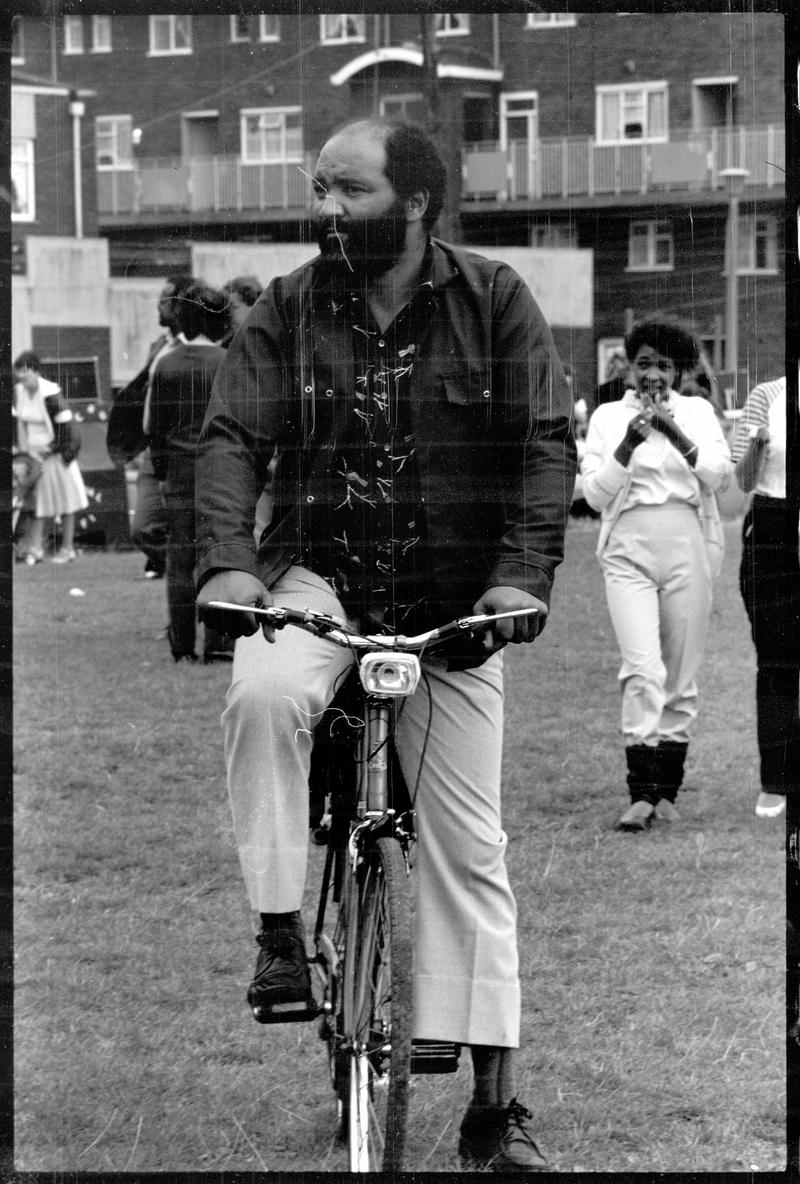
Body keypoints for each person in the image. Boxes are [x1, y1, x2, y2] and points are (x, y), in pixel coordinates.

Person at [195, 118, 576, 1171]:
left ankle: (494, 1106)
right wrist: (228, 563)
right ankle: (280, 931)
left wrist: (517, 576)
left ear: (413, 203)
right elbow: (232, 437)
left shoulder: (494, 298)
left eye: (347, 190)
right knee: (263, 693)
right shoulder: (286, 305)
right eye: (318, 187)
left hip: (451, 602)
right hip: (317, 577)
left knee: (470, 847)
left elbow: (543, 446)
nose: (325, 208)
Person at [580, 316, 732, 830]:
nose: (652, 374)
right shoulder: (607, 417)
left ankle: (666, 791)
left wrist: (673, 432)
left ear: (678, 372)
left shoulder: (697, 412)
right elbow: (594, 495)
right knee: (642, 668)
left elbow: (718, 476)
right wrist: (629, 443)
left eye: (663, 365)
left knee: (680, 673)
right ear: (629, 367)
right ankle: (641, 794)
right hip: (628, 546)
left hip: (686, 540)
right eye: (643, 363)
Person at [148, 282, 229, 663]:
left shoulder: (166, 363)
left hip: (179, 472)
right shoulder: (227, 361)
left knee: (180, 562)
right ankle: (219, 642)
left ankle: (182, 647)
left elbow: (154, 428)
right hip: (220, 472)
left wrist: (162, 474)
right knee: (218, 555)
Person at [731, 376, 799, 818]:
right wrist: (758, 442)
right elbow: (742, 479)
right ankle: (777, 780)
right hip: (774, 524)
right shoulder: (767, 395)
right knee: (776, 659)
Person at [108, 274, 197, 580]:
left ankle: (184, 575)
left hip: (184, 447)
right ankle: (180, 567)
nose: (158, 306)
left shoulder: (197, 347)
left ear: (180, 305)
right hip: (155, 446)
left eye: (165, 300)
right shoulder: (159, 346)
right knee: (143, 527)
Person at [12, 351, 88, 565]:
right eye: (19, 375)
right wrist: (24, 455)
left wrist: (52, 448)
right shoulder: (20, 391)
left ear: (35, 371)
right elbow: (21, 423)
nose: (22, 379)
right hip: (33, 457)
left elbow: (67, 429)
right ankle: (35, 550)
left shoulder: (51, 394)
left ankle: (67, 549)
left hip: (58, 455)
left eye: (25, 374)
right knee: (37, 503)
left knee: (67, 502)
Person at [220, 274, 263, 347]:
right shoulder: (227, 342)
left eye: (234, 307)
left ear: (252, 307)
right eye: (226, 308)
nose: (228, 313)